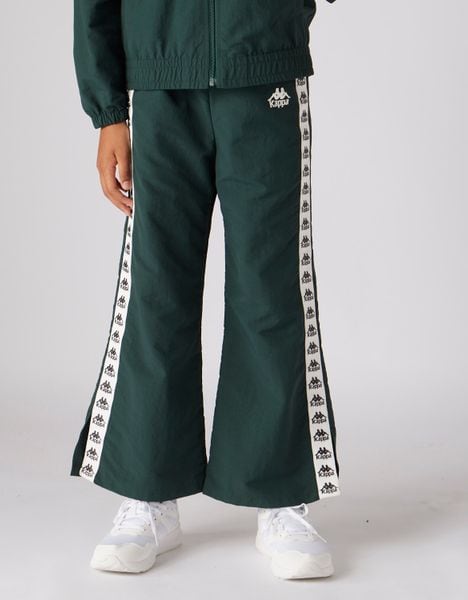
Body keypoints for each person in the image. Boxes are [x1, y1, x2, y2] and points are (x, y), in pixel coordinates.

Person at [70, 0, 341, 580]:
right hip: (159, 83)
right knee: (155, 293)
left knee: (271, 293)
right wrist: (109, 112)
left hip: (264, 73)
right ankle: (149, 493)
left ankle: (278, 495)